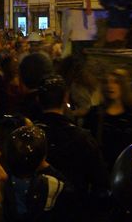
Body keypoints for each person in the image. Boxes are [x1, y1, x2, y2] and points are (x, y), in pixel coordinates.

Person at [34, 75, 108, 220]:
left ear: (39, 100)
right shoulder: (82, 138)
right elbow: (101, 182)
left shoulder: (31, 136)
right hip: (73, 212)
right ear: (65, 98)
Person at [2, 125, 78, 222]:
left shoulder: (1, 182)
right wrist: (47, 167)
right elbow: (69, 191)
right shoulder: (50, 184)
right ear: (43, 158)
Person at [84, 68, 132, 171]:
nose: (110, 86)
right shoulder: (95, 114)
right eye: (106, 82)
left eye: (116, 82)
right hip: (101, 169)